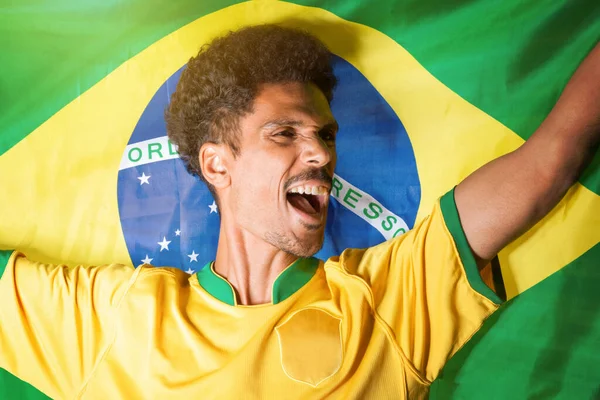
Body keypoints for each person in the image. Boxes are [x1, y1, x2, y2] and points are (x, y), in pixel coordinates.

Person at [0, 25, 598, 399]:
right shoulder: (115, 319)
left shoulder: (386, 300)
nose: (320, 153)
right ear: (216, 165)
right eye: (284, 133)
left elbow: (550, 160)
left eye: (325, 134)